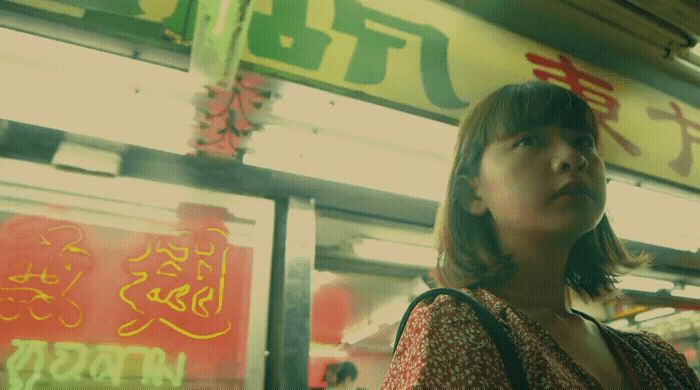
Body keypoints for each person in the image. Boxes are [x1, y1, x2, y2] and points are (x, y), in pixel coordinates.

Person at [381, 81, 699, 389]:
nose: (573, 158)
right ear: (472, 194)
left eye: (583, 142)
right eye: (528, 141)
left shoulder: (657, 357)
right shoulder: (456, 326)